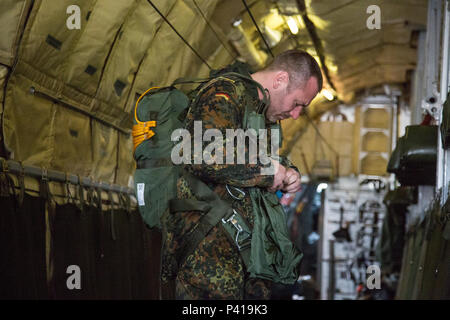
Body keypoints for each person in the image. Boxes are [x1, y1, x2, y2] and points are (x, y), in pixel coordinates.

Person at [161, 50, 322, 299]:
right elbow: (200, 152)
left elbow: (256, 159)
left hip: (248, 253)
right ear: (280, 80)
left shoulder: (262, 113)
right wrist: (268, 171)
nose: (295, 115)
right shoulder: (224, 94)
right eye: (297, 104)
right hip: (209, 254)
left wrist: (288, 171)